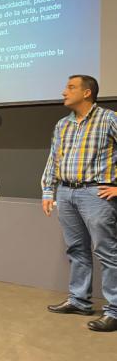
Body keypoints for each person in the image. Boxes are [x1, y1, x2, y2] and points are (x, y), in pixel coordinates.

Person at [41, 75, 117, 332]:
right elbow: (54, 160)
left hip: (95, 194)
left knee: (107, 252)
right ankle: (79, 300)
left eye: (70, 87)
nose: (64, 92)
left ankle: (115, 310)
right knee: (76, 249)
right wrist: (48, 192)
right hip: (66, 193)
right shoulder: (63, 124)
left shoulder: (108, 119)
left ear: (87, 93)